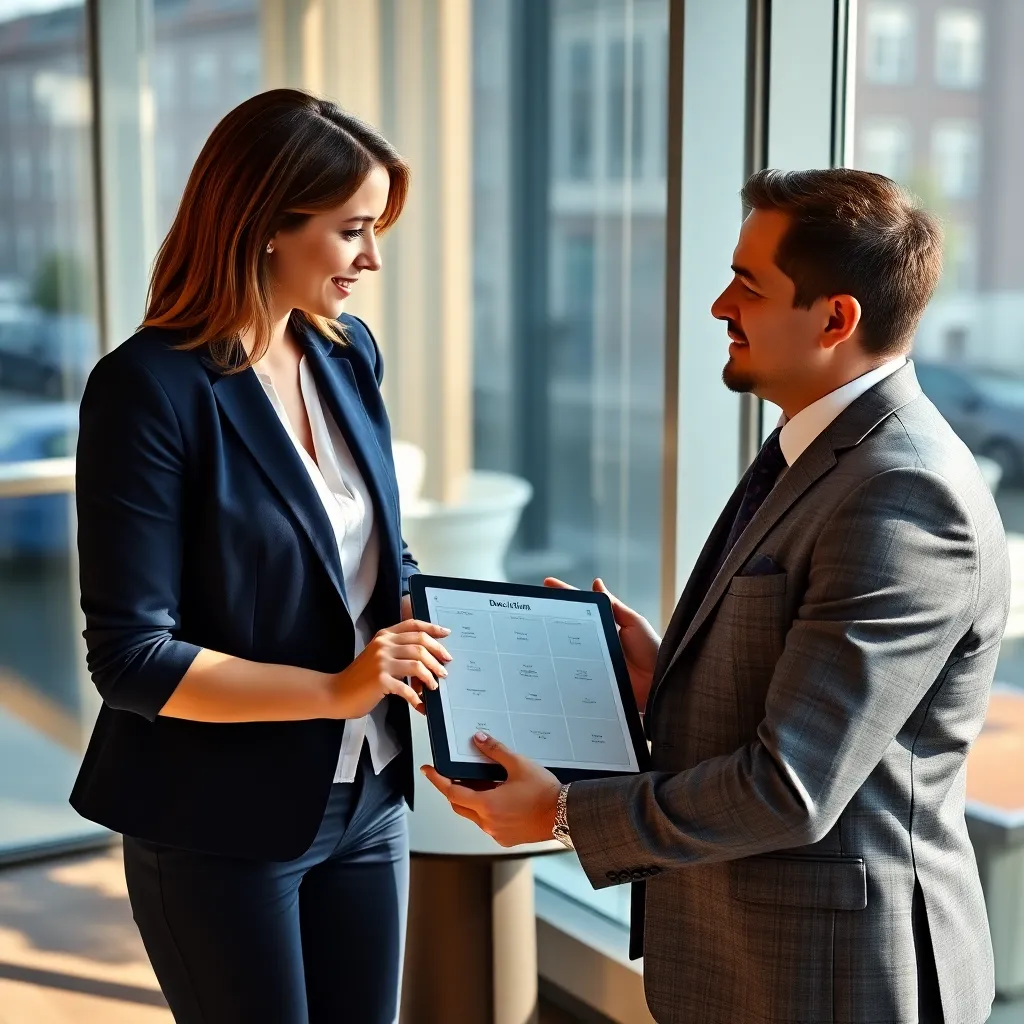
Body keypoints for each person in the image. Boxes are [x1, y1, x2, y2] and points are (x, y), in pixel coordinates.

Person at [424, 168, 1011, 1024]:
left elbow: (791, 788)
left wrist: (561, 813)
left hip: (833, 980)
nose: (718, 307)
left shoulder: (904, 494)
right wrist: (666, 678)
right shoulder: (820, 449)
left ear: (836, 319)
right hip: (760, 960)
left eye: (748, 285)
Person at [70, 89, 451, 1024]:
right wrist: (336, 689)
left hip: (369, 794)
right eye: (352, 230)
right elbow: (131, 658)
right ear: (266, 226)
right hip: (217, 822)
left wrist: (451, 625)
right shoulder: (147, 389)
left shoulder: (347, 353)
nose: (371, 258)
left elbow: (375, 557)